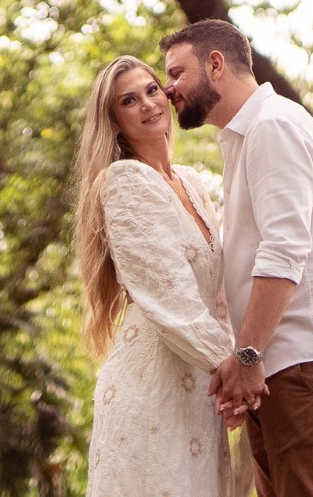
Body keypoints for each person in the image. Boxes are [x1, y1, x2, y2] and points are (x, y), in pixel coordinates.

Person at [159, 20, 313, 497]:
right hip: (277, 368)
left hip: (304, 362)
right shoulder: (245, 137)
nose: (168, 88)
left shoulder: (273, 126)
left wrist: (248, 354)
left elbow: (284, 250)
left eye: (177, 73)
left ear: (216, 64)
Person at [74, 55, 240, 497]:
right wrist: (234, 371)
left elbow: (217, 295)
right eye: (129, 101)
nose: (148, 104)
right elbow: (169, 292)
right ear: (114, 121)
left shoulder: (192, 182)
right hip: (153, 381)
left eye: (151, 90)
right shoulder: (124, 180)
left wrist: (235, 366)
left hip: (200, 384)